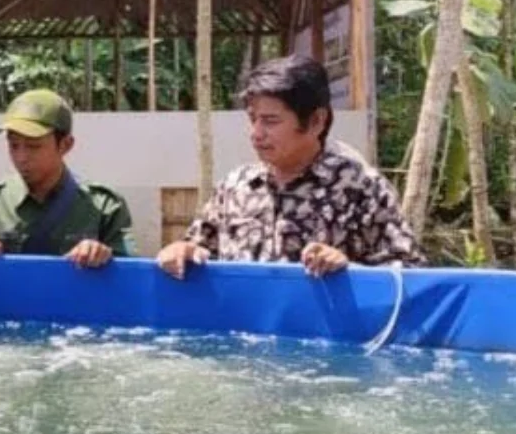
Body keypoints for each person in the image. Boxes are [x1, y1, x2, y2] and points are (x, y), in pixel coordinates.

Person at [156, 54, 426, 280]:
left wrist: (347, 269)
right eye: (253, 120)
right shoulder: (236, 187)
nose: (256, 133)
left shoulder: (360, 187)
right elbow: (199, 248)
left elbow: (410, 273)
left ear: (316, 122)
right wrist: (182, 251)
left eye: (270, 121)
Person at [0, 89, 135, 269]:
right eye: (13, 145)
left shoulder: (104, 206)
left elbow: (130, 276)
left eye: (33, 146)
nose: (21, 157)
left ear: (65, 145)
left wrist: (102, 255)